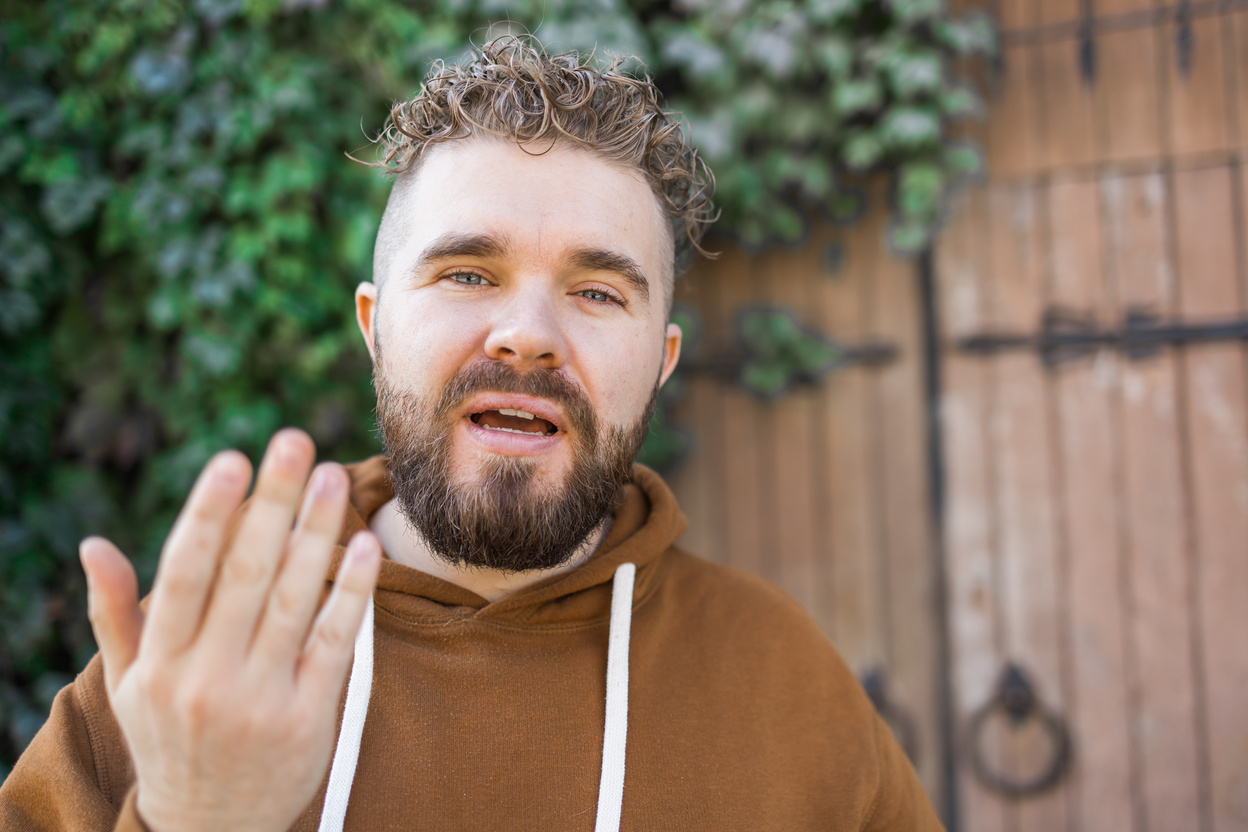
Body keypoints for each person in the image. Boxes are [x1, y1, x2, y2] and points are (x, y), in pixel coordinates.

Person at [0, 37, 943, 832]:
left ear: (660, 361)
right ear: (374, 328)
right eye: (465, 273)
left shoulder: (785, 682)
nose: (528, 333)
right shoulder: (185, 681)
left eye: (597, 291)